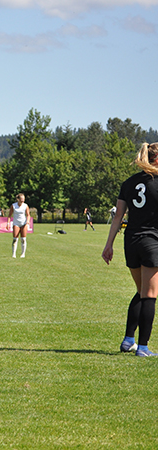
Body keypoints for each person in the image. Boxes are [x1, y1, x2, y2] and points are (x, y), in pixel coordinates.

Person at [102, 142, 158, 357]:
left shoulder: (129, 182)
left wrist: (108, 245)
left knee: (141, 291)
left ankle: (128, 340)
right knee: (149, 295)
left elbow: (118, 217)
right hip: (152, 241)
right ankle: (143, 347)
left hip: (131, 241)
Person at [8, 193, 30, 258]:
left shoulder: (25, 206)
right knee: (15, 239)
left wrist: (28, 221)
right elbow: (9, 215)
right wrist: (8, 223)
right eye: (21, 199)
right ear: (18, 199)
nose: (23, 201)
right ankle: (14, 254)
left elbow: (28, 215)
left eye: (23, 199)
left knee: (23, 239)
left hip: (23, 223)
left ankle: (23, 253)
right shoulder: (13, 206)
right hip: (16, 223)